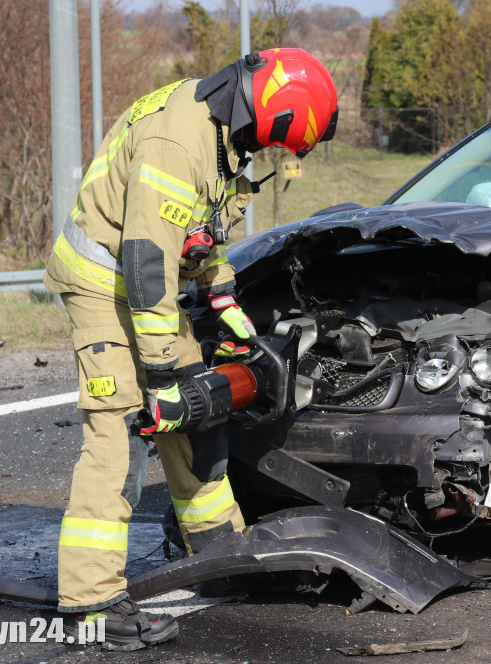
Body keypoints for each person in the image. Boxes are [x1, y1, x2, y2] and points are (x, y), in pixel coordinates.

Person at [43, 48, 338, 651]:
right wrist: (156, 372)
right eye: (278, 148)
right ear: (272, 118)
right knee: (125, 433)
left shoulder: (221, 130)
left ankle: (221, 558)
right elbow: (149, 260)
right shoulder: (179, 144)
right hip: (105, 285)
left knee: (197, 417)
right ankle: (90, 603)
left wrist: (223, 297)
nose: (270, 160)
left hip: (146, 288)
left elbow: (199, 232)